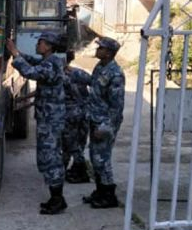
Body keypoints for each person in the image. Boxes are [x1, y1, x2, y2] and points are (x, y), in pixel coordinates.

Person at [7, 31, 67, 215]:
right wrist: (14, 52)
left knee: (51, 157)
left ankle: (57, 199)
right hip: (48, 118)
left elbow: (31, 72)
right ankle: (55, 197)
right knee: (47, 156)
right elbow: (33, 62)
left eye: (40, 42)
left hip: (51, 120)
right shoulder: (50, 61)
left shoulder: (52, 64)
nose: (37, 45)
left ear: (48, 46)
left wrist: (16, 54)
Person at [81, 36, 125, 209]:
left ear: (108, 52)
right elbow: (94, 85)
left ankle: (108, 195)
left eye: (101, 48)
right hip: (95, 119)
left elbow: (117, 106)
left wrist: (106, 127)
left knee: (102, 159)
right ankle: (100, 191)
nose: (97, 50)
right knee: (95, 157)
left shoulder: (115, 74)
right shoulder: (100, 67)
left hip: (104, 123)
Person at [63, 50, 91, 184]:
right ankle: (77, 170)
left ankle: (76, 170)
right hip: (84, 113)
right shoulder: (80, 73)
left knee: (67, 144)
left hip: (69, 115)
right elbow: (94, 84)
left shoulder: (58, 75)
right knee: (80, 142)